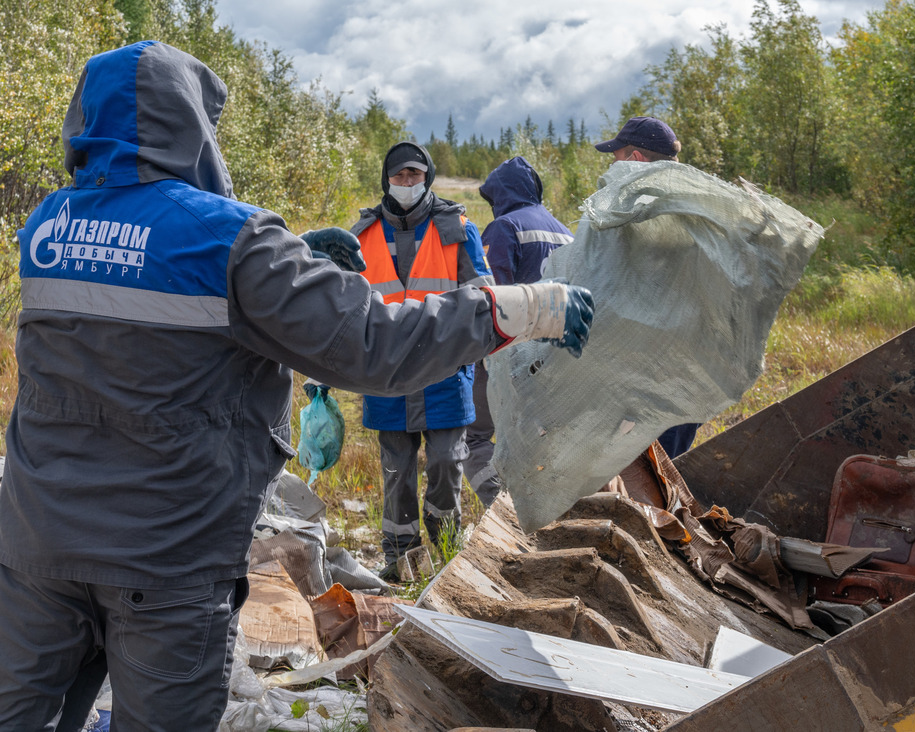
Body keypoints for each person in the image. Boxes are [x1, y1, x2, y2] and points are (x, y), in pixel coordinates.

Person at [0, 41, 593, 732]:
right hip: (165, 564)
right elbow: (373, 346)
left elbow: (136, 308)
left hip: (38, 545)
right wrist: (514, 308)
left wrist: (287, 266)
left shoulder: (49, 225)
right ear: (193, 125)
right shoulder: (234, 241)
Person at [350, 141, 493, 581]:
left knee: (447, 461)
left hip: (444, 371)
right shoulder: (361, 235)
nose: (408, 182)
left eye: (415, 173)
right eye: (400, 175)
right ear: (387, 179)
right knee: (396, 470)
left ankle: (446, 543)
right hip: (386, 373)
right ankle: (400, 558)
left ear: (427, 175)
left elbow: (485, 296)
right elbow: (344, 304)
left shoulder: (457, 228)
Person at [466, 156, 575, 506]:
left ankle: (504, 508)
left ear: (500, 195)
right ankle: (548, 508)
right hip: (558, 358)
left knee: (474, 439)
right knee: (540, 438)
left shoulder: (504, 228)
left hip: (510, 355)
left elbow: (493, 292)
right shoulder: (565, 231)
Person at [594, 116, 700, 458]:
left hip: (653, 377)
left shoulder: (642, 212)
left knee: (647, 479)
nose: (613, 164)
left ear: (635, 160)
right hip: (693, 373)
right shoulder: (697, 205)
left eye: (617, 156)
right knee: (670, 473)